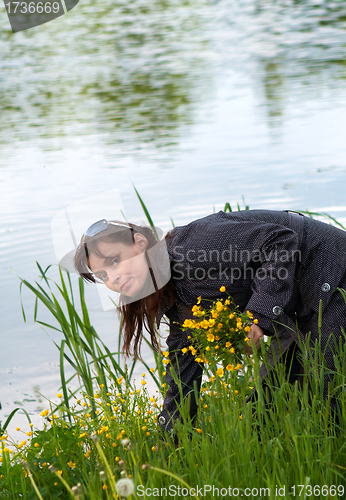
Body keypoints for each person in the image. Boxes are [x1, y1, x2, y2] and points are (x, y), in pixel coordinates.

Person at [73, 209, 346, 433]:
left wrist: (258, 319)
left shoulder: (191, 247)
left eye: (115, 260)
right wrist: (172, 439)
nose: (113, 277)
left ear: (140, 244)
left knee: (330, 400)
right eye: (103, 276)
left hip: (333, 274)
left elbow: (280, 241)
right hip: (303, 308)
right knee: (258, 418)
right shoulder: (175, 296)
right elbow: (183, 369)